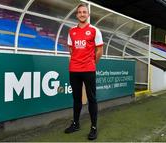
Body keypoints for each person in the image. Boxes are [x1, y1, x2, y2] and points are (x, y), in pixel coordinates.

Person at [64, 3, 103, 140]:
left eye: (84, 12)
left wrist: (91, 62)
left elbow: (99, 51)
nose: (82, 14)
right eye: (79, 12)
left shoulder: (94, 30)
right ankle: (76, 124)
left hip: (88, 69)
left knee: (92, 98)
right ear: (76, 15)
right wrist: (76, 60)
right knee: (76, 99)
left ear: (88, 14)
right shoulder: (71, 31)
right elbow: (71, 49)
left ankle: (93, 127)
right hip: (74, 69)